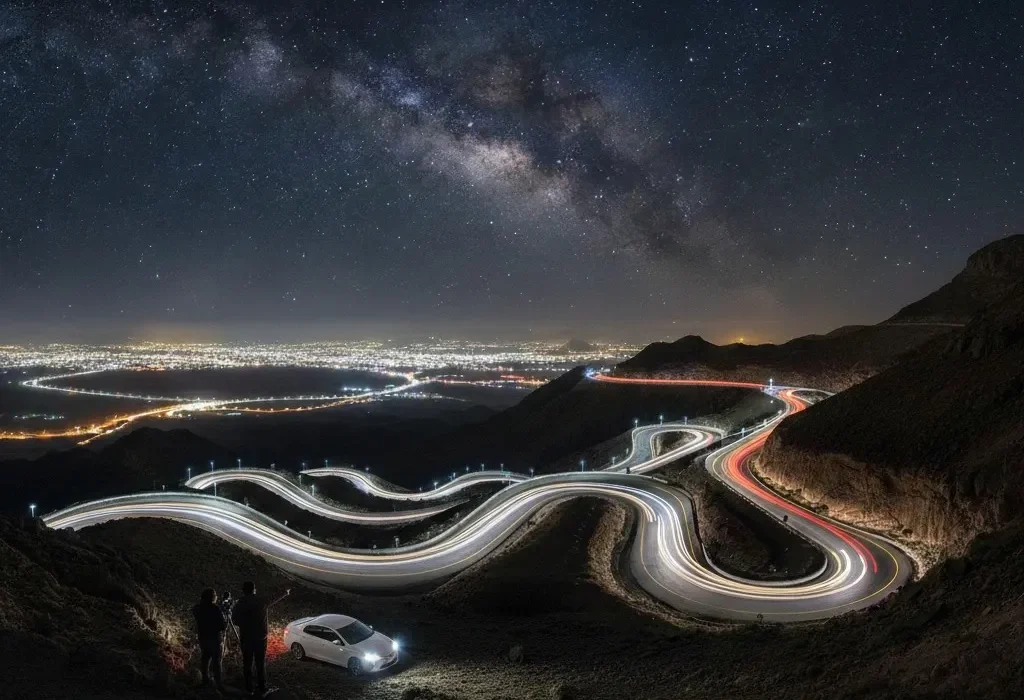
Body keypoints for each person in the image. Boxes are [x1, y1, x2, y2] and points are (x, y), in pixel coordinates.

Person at [231, 582, 289, 696]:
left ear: (243, 591)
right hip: (260, 638)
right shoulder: (261, 601)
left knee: (247, 663)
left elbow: (235, 620)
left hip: (246, 638)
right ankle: (262, 688)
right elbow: (274, 598)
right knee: (260, 664)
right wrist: (285, 592)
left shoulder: (239, 604)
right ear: (254, 590)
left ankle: (249, 689)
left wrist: (245, 624)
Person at [192, 588, 226, 689]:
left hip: (203, 637)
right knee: (216, 661)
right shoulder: (215, 608)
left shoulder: (197, 608)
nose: (216, 597)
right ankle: (218, 683)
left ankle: (205, 680)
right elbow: (222, 626)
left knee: (205, 659)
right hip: (214, 639)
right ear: (212, 597)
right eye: (215, 595)